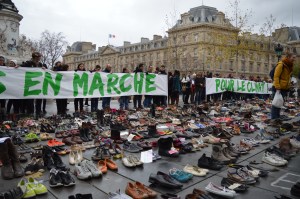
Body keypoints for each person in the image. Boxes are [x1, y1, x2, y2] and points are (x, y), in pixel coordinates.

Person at [271, 52, 296, 119]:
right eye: (293, 57)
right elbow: (276, 76)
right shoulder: (281, 64)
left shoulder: (289, 66)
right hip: (278, 87)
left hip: (284, 88)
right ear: (288, 57)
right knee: (275, 103)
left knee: (279, 103)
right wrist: (277, 87)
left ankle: (277, 117)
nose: (294, 59)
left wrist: (289, 85)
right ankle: (274, 118)